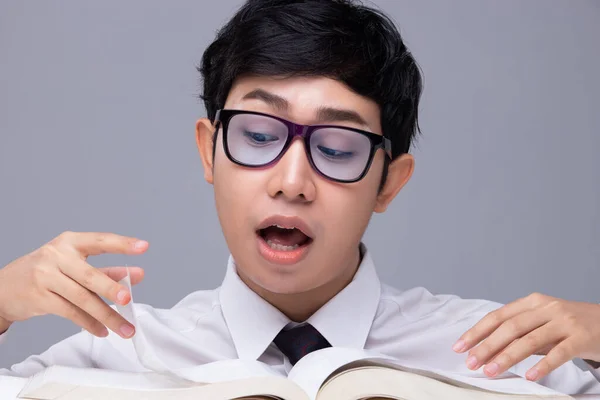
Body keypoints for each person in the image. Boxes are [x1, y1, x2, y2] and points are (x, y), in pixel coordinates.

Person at [1, 0, 599, 395]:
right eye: (258, 136)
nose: (291, 181)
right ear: (209, 151)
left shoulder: (499, 352)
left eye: (337, 148)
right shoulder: (114, 356)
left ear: (390, 181)